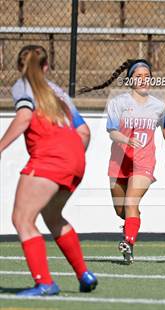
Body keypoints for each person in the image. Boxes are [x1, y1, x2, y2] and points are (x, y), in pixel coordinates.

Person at [0, 45, 97, 296]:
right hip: (75, 158)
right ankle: (84, 274)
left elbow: (23, 118)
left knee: (22, 220)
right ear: (46, 67)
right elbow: (84, 132)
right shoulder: (60, 93)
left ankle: (44, 283)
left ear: (20, 67)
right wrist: (70, 158)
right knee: (53, 217)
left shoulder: (23, 86)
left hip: (49, 158)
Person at [79, 59, 165, 264]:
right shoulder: (118, 103)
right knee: (121, 210)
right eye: (138, 76)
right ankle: (131, 224)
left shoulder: (158, 106)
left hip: (144, 162)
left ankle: (128, 243)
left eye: (146, 76)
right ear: (130, 80)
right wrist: (126, 140)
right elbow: (112, 132)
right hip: (119, 161)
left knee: (132, 202)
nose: (143, 80)